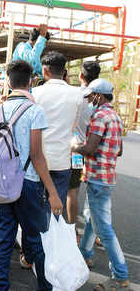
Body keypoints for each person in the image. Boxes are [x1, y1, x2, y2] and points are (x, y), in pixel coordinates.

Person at [0, 60, 62, 291]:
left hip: (3, 185)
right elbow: (37, 156)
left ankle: (0, 287)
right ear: (30, 82)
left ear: (8, 82)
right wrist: (52, 192)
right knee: (35, 240)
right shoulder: (35, 111)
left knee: (4, 241)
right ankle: (43, 287)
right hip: (28, 185)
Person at [72, 78, 130, 291]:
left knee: (103, 229)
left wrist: (74, 147)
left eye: (91, 96)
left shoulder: (99, 116)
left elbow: (90, 149)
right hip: (107, 177)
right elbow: (120, 150)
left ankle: (120, 277)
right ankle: (85, 254)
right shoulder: (115, 116)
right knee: (92, 220)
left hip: (96, 177)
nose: (90, 99)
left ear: (99, 96)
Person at [32, 51, 82, 207]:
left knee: (35, 208)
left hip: (38, 161)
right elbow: (74, 125)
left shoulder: (35, 93)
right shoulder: (77, 94)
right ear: (64, 71)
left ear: (45, 71)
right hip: (62, 162)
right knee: (56, 209)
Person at [67, 61, 100, 230]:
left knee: (62, 189)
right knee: (80, 191)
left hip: (69, 147)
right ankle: (82, 231)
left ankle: (62, 229)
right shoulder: (97, 100)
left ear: (81, 76)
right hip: (87, 150)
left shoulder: (72, 94)